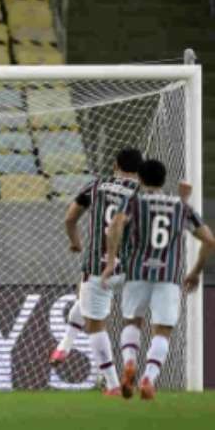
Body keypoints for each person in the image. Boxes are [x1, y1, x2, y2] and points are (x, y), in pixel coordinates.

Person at [103, 159, 214, 400]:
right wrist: (195, 272)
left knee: (132, 322)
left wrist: (112, 261)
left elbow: (114, 228)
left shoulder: (133, 202)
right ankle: (148, 378)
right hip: (168, 276)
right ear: (164, 180)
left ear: (140, 179)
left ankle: (130, 362)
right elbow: (209, 240)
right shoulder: (180, 206)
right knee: (162, 331)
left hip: (136, 273)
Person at [49, 148, 143, 395]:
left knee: (95, 324)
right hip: (130, 269)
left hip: (98, 267)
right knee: (88, 303)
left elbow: (70, 218)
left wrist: (75, 242)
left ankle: (112, 384)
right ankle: (66, 345)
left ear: (115, 164)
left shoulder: (97, 186)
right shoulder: (141, 193)